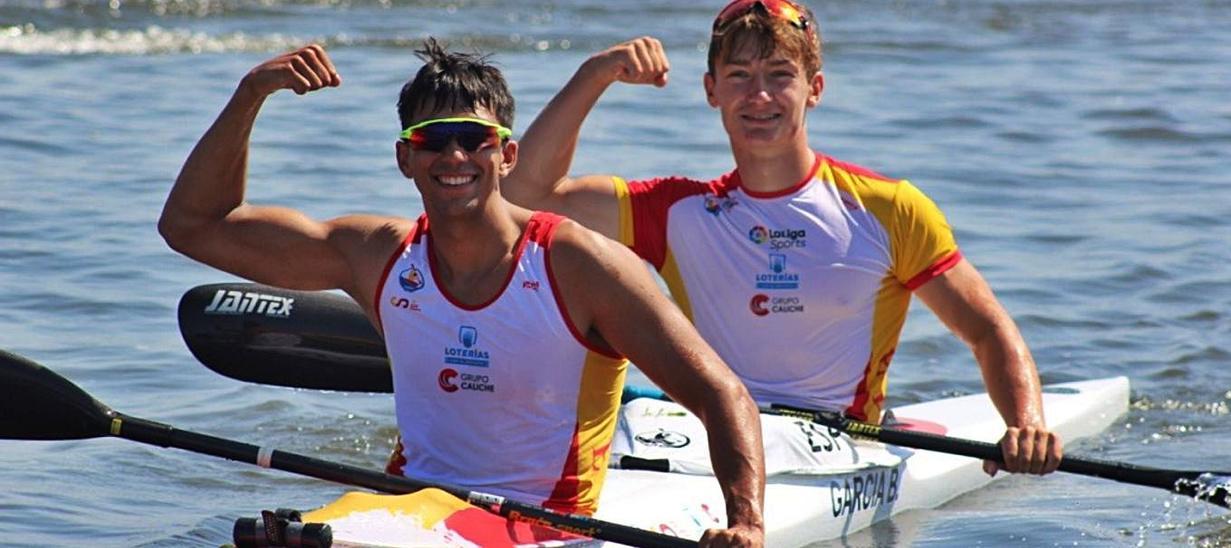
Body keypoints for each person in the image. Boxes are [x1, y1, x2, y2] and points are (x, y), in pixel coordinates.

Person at [158, 40, 765, 545]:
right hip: (404, 509)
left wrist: (746, 523)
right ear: (405, 157)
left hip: (544, 526)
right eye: (433, 138)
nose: (454, 154)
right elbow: (192, 226)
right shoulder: (378, 255)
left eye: (474, 138)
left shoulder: (581, 265)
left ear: (507, 154)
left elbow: (720, 393)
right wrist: (250, 94)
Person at [504, 0, 1063, 476]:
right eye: (740, 77)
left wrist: (1026, 424)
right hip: (706, 423)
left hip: (834, 440)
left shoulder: (888, 209)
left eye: (779, 75)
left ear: (814, 89)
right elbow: (526, 194)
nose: (760, 96)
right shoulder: (677, 211)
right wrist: (595, 74)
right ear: (711, 91)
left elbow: (987, 329)